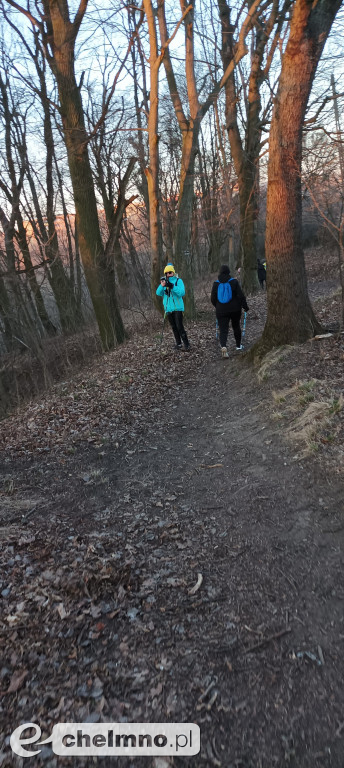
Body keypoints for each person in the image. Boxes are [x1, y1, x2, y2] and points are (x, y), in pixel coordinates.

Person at [211, 264, 249, 358]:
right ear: (229, 272)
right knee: (236, 327)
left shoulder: (216, 284)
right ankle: (238, 346)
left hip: (221, 310)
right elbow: (240, 296)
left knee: (223, 330)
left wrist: (217, 306)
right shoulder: (234, 282)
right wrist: (245, 306)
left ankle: (224, 346)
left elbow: (213, 298)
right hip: (235, 309)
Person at [156, 264, 190, 351]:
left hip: (178, 308)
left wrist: (172, 286)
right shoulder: (164, 282)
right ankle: (178, 344)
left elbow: (181, 293)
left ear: (173, 272)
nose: (168, 274)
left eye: (170, 272)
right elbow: (158, 293)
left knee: (179, 326)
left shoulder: (178, 281)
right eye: (166, 273)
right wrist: (162, 285)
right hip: (168, 309)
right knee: (174, 327)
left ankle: (187, 344)